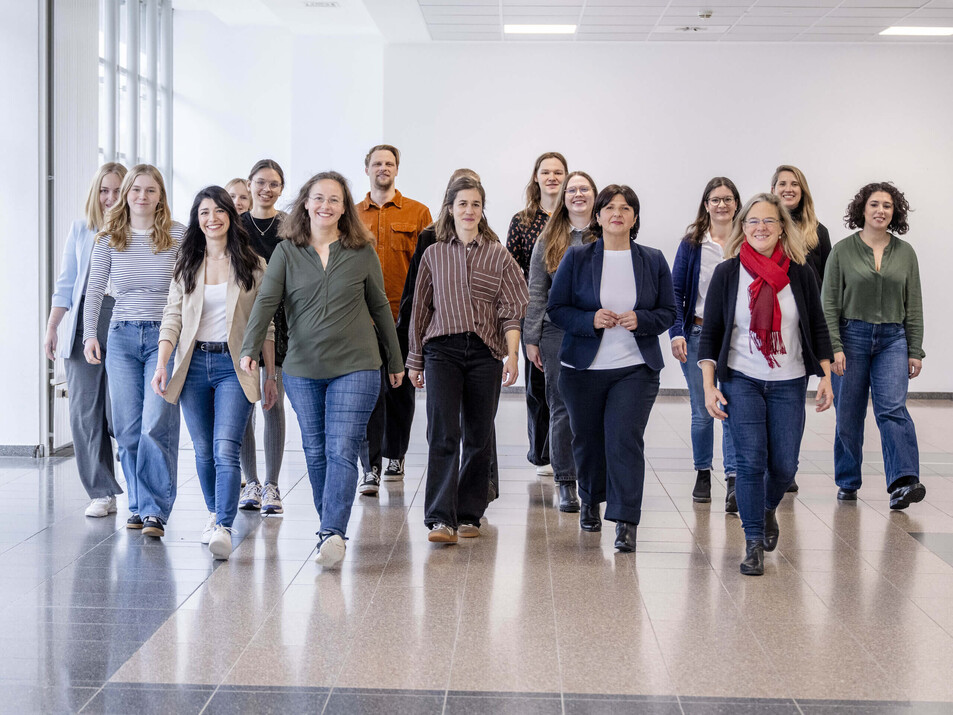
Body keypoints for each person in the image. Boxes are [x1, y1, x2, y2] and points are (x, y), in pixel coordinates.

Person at [241, 171, 404, 568]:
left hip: (358, 365)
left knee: (341, 447)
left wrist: (395, 358)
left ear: (345, 207)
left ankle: (333, 531)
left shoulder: (361, 250)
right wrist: (249, 346)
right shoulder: (286, 252)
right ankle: (328, 524)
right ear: (305, 204)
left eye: (334, 199)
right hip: (302, 368)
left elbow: (380, 306)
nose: (326, 206)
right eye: (319, 198)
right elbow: (266, 302)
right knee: (315, 449)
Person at [699, 193, 833, 576]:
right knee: (750, 461)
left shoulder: (799, 272)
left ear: (781, 228)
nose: (761, 228)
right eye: (753, 221)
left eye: (769, 221)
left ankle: (767, 507)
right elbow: (710, 335)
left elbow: (817, 327)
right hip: (742, 379)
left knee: (785, 465)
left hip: (789, 381)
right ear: (743, 228)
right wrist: (710, 386)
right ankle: (753, 541)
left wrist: (825, 376)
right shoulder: (728, 273)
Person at [548, 184, 675, 553]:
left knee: (624, 440)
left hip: (634, 369)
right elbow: (557, 310)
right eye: (610, 208)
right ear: (598, 216)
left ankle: (625, 521)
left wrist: (642, 319)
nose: (617, 213)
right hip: (583, 370)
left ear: (634, 218)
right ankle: (590, 498)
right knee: (587, 440)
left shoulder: (652, 259)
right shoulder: (576, 259)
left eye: (625, 208)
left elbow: (668, 311)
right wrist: (591, 319)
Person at [152, 187, 278, 559]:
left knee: (226, 448)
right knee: (204, 450)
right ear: (197, 219)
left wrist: (270, 375)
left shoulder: (253, 265)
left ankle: (224, 524)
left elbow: (266, 324)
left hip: (234, 366)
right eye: (204, 212)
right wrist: (162, 363)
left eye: (219, 210)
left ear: (230, 216)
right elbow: (172, 317)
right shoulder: (186, 263)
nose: (212, 218)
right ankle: (213, 513)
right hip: (191, 367)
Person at [407, 175, 528, 544]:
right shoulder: (433, 253)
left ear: (482, 209)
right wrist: (415, 359)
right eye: (462, 204)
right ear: (450, 208)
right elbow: (419, 311)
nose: (469, 210)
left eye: (476, 204)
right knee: (444, 433)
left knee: (478, 434)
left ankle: (470, 513)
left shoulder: (498, 253)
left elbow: (512, 309)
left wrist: (512, 356)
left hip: (484, 354)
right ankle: (439, 519)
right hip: (441, 350)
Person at [82, 164, 185, 538]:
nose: (142, 196)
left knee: (156, 424)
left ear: (160, 197)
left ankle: (156, 510)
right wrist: (89, 335)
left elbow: (188, 289)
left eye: (150, 190)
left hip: (164, 338)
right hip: (122, 337)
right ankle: (138, 507)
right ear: (126, 194)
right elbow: (95, 290)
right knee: (126, 429)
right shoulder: (109, 238)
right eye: (136, 189)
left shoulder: (177, 235)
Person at [822, 182, 925, 510]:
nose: (881, 210)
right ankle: (848, 481)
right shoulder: (841, 250)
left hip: (893, 340)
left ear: (895, 213)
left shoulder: (906, 252)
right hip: (851, 338)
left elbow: (915, 304)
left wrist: (915, 349)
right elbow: (828, 303)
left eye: (888, 206)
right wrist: (834, 346)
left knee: (892, 409)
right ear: (862, 210)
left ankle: (903, 482)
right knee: (848, 414)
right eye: (875, 205)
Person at [44, 162, 127, 518]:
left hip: (123, 324)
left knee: (118, 411)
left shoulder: (137, 231)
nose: (109, 198)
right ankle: (101, 491)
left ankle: (135, 481)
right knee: (83, 412)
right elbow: (66, 282)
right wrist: (52, 327)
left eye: (117, 191)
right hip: (81, 327)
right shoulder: (81, 230)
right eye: (104, 191)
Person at [356, 144, 433, 495]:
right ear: (367, 169)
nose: (383, 168)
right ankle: (368, 466)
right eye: (376, 163)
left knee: (400, 389)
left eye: (389, 163)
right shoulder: (352, 215)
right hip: (362, 319)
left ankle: (395, 455)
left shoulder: (418, 213)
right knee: (367, 391)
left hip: (404, 316)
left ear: (397, 169)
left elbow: (430, 269)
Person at [524, 171, 598, 513]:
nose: (578, 194)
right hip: (557, 332)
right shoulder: (548, 238)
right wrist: (532, 338)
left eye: (584, 189)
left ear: (595, 196)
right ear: (564, 198)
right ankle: (566, 483)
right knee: (561, 406)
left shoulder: (607, 235)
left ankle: (592, 480)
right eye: (572, 190)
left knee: (594, 409)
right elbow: (537, 291)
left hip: (601, 330)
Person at [670, 178, 740, 510]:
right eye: (716, 200)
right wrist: (676, 332)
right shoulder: (693, 244)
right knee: (702, 411)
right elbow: (676, 292)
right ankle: (702, 472)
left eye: (728, 199)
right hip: (698, 334)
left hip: (738, 338)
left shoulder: (747, 242)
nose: (722, 205)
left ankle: (734, 480)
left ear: (737, 204)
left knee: (730, 409)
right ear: (706, 205)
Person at [770, 165, 832, 494]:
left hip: (804, 327)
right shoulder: (764, 228)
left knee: (793, 402)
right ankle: (770, 463)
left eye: (794, 184)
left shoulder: (817, 233)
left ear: (803, 190)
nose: (788, 188)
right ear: (773, 189)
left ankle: (787, 466)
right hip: (768, 326)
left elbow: (828, 285)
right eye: (782, 183)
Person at [507, 151, 568, 476]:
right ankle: (540, 453)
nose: (552, 177)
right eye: (546, 172)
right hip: (532, 311)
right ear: (536, 177)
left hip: (566, 316)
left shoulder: (575, 217)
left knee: (562, 390)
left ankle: (560, 452)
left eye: (559, 172)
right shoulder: (523, 221)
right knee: (537, 388)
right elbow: (512, 266)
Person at [238, 159, 288, 515]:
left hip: (283, 322)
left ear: (281, 188)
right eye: (260, 182)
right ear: (250, 184)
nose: (266, 189)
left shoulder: (289, 226)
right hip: (243, 320)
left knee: (273, 400)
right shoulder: (237, 226)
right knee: (243, 406)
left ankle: (272, 484)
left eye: (273, 184)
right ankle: (250, 482)